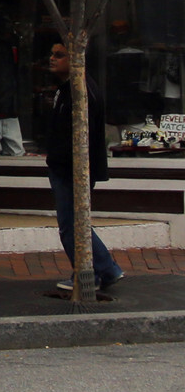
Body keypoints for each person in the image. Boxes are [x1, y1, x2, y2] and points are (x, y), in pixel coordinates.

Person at [42, 38, 124, 296]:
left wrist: (65, 162)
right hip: (64, 166)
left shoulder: (82, 92)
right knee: (75, 222)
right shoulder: (64, 90)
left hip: (72, 169)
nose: (53, 58)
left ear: (76, 60)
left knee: (72, 224)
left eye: (60, 55)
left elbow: (80, 137)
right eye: (52, 53)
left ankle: (90, 272)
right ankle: (105, 269)